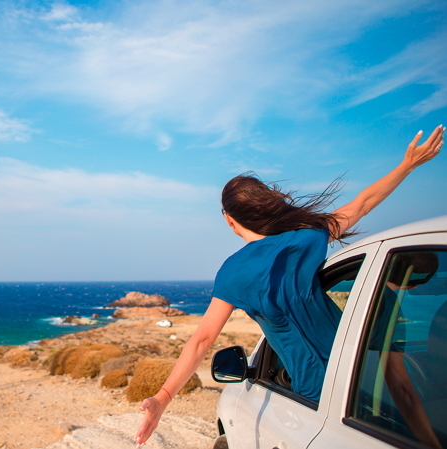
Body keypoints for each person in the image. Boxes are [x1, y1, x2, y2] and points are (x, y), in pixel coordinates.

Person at [135, 125, 445, 447]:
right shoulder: (309, 237)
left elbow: (201, 341)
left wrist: (163, 398)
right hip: (360, 387)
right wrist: (407, 165)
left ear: (229, 218)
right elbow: (363, 203)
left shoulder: (233, 272)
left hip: (314, 399)